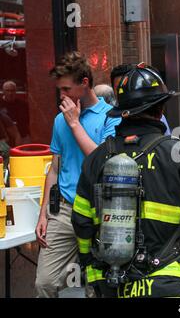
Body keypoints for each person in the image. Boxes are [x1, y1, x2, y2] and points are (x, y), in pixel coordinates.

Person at [71, 64, 180, 298]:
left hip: (111, 283)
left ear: (122, 112)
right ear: (160, 109)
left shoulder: (97, 158)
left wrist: (87, 260)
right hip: (166, 281)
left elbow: (81, 219)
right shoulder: (178, 153)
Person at [34, 51, 121, 298]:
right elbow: (54, 168)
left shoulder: (111, 117)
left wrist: (75, 123)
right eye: (59, 90)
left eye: (66, 89)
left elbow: (102, 162)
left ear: (85, 83)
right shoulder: (60, 120)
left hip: (99, 211)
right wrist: (43, 214)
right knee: (45, 283)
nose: (62, 96)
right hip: (63, 210)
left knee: (97, 288)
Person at [110, 64, 171, 136]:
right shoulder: (108, 119)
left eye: (129, 87)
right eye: (120, 89)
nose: (125, 93)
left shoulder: (158, 117)